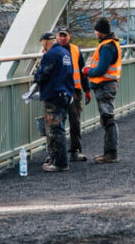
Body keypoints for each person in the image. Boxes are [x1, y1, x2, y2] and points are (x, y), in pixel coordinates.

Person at [34, 31, 83, 172]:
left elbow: (42, 74)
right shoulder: (64, 53)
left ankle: (60, 163)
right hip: (66, 94)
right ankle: (58, 161)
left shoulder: (50, 55)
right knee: (60, 127)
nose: (42, 46)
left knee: (56, 130)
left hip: (54, 94)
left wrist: (36, 76)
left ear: (46, 42)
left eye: (42, 43)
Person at [82, 17, 122, 163]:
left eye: (96, 30)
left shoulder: (107, 47)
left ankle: (111, 154)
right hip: (107, 85)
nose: (95, 32)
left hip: (105, 86)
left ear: (100, 32)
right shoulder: (111, 44)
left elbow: (101, 69)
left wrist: (88, 71)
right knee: (107, 119)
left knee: (107, 119)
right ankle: (109, 153)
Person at [57, 27, 90, 162]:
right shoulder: (53, 51)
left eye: (65, 35)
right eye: (60, 35)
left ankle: (74, 151)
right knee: (57, 124)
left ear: (69, 36)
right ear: (57, 36)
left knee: (75, 122)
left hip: (75, 92)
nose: (63, 38)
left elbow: (82, 72)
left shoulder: (76, 50)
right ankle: (56, 153)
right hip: (59, 92)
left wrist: (87, 89)